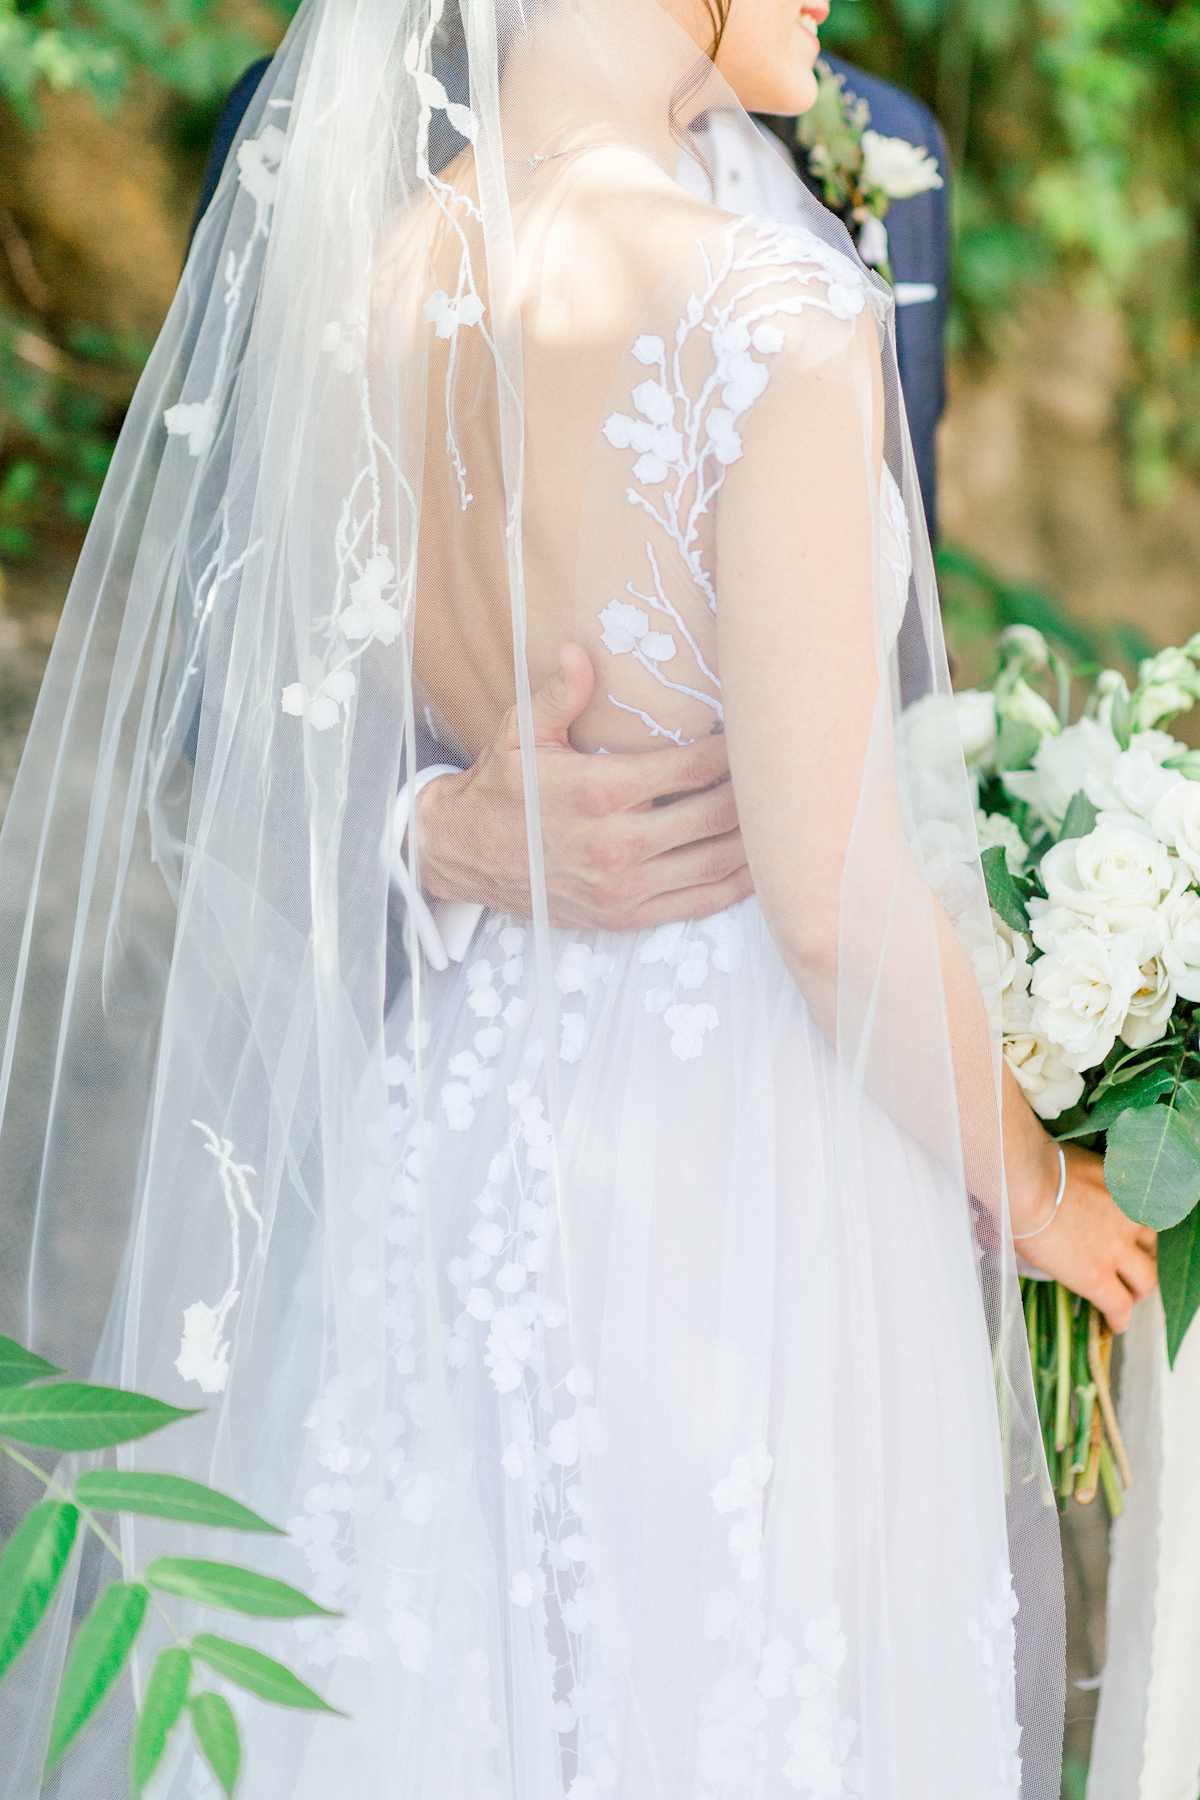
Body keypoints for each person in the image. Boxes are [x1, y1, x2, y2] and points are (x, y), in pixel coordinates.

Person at [0, 0, 1157, 1794]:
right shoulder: (772, 312)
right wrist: (1033, 1186)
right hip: (745, 1153)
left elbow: (336, 693)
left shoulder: (376, 284)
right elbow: (832, 895)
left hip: (463, 1122)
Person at [183, 42, 949, 974]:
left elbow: (904, 625)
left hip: (847, 992)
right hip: (438, 1003)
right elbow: (222, 622)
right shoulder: (326, 115)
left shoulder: (895, 148)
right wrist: (428, 836)